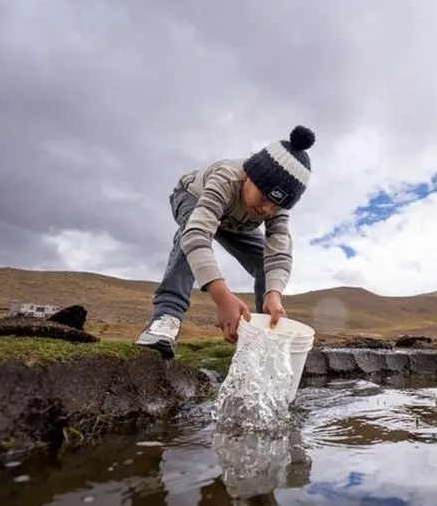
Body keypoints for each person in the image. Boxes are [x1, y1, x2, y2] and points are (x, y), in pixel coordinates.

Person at [134, 125, 316, 359]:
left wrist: (274, 294)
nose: (266, 209)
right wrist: (222, 298)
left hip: (233, 224)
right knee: (191, 232)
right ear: (249, 177)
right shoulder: (226, 178)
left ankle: (264, 333)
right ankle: (165, 319)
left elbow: (278, 254)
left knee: (265, 264)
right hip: (193, 197)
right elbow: (197, 235)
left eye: (276, 204)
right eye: (264, 197)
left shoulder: (274, 209)